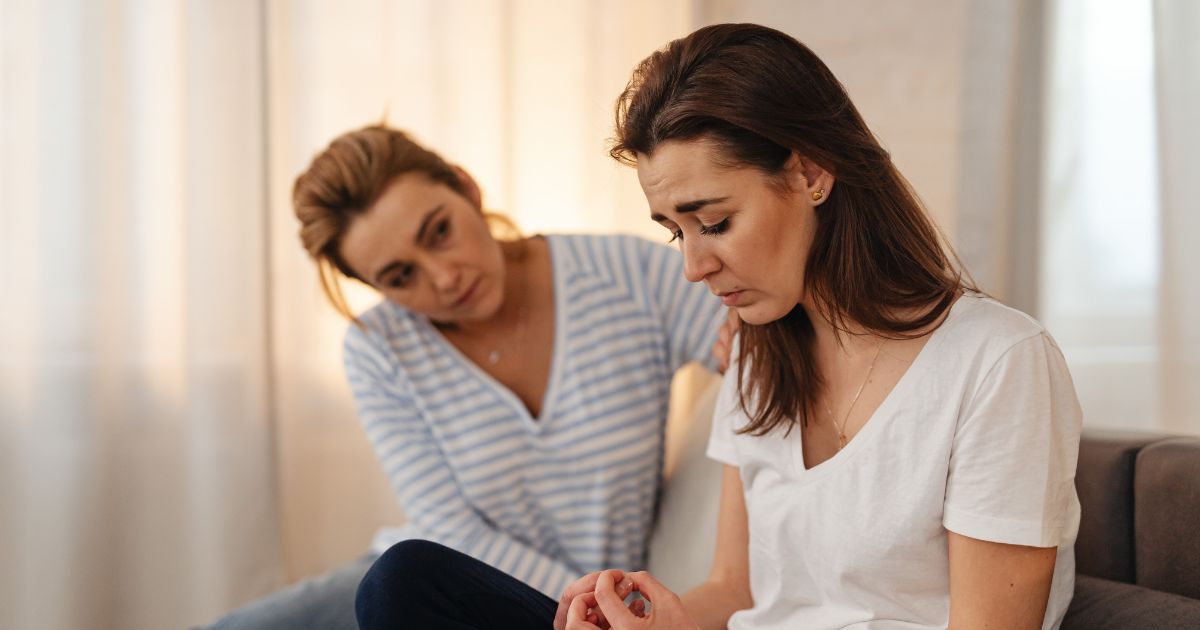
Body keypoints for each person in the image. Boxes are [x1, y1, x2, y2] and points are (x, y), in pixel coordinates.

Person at [355, 23, 1083, 630]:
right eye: (677, 232)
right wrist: (657, 619)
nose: (694, 267)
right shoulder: (760, 358)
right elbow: (736, 594)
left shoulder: (998, 362)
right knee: (405, 582)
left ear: (812, 173)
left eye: (714, 222)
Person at [203, 124, 728, 630]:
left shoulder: (622, 275)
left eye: (439, 232)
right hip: (443, 586)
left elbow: (759, 329)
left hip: (572, 604)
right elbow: (450, 529)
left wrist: (746, 341)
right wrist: (587, 607)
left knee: (398, 579)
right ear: (375, 286)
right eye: (401, 276)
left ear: (466, 188)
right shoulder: (379, 349)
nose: (445, 277)